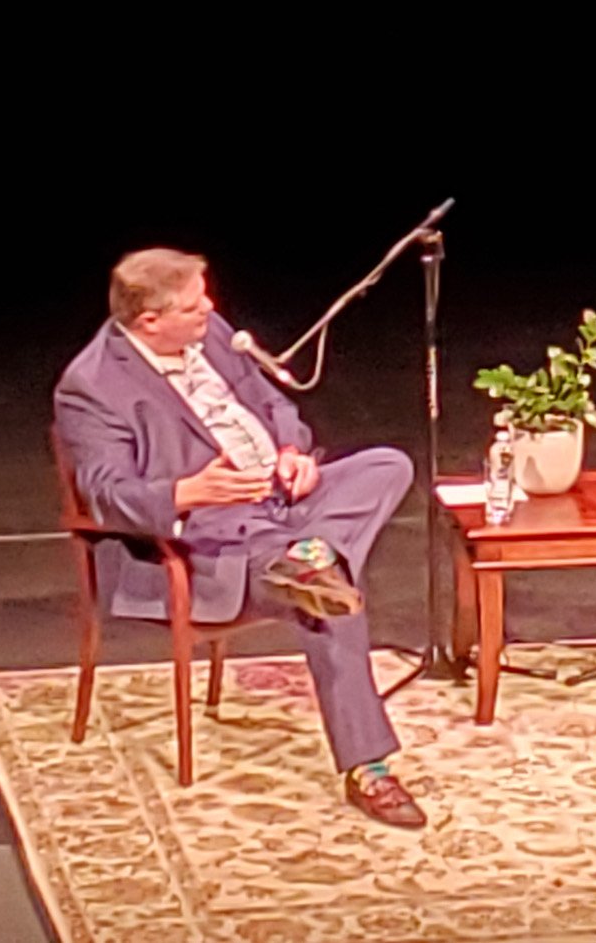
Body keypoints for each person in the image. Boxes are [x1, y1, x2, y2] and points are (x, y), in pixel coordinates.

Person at [53, 247, 426, 827]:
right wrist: (187, 492)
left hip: (282, 500)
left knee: (386, 466)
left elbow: (272, 403)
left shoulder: (211, 334)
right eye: (192, 305)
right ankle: (369, 768)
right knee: (327, 596)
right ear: (149, 320)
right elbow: (106, 492)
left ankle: (312, 551)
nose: (210, 308)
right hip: (216, 539)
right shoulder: (92, 385)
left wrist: (292, 451)